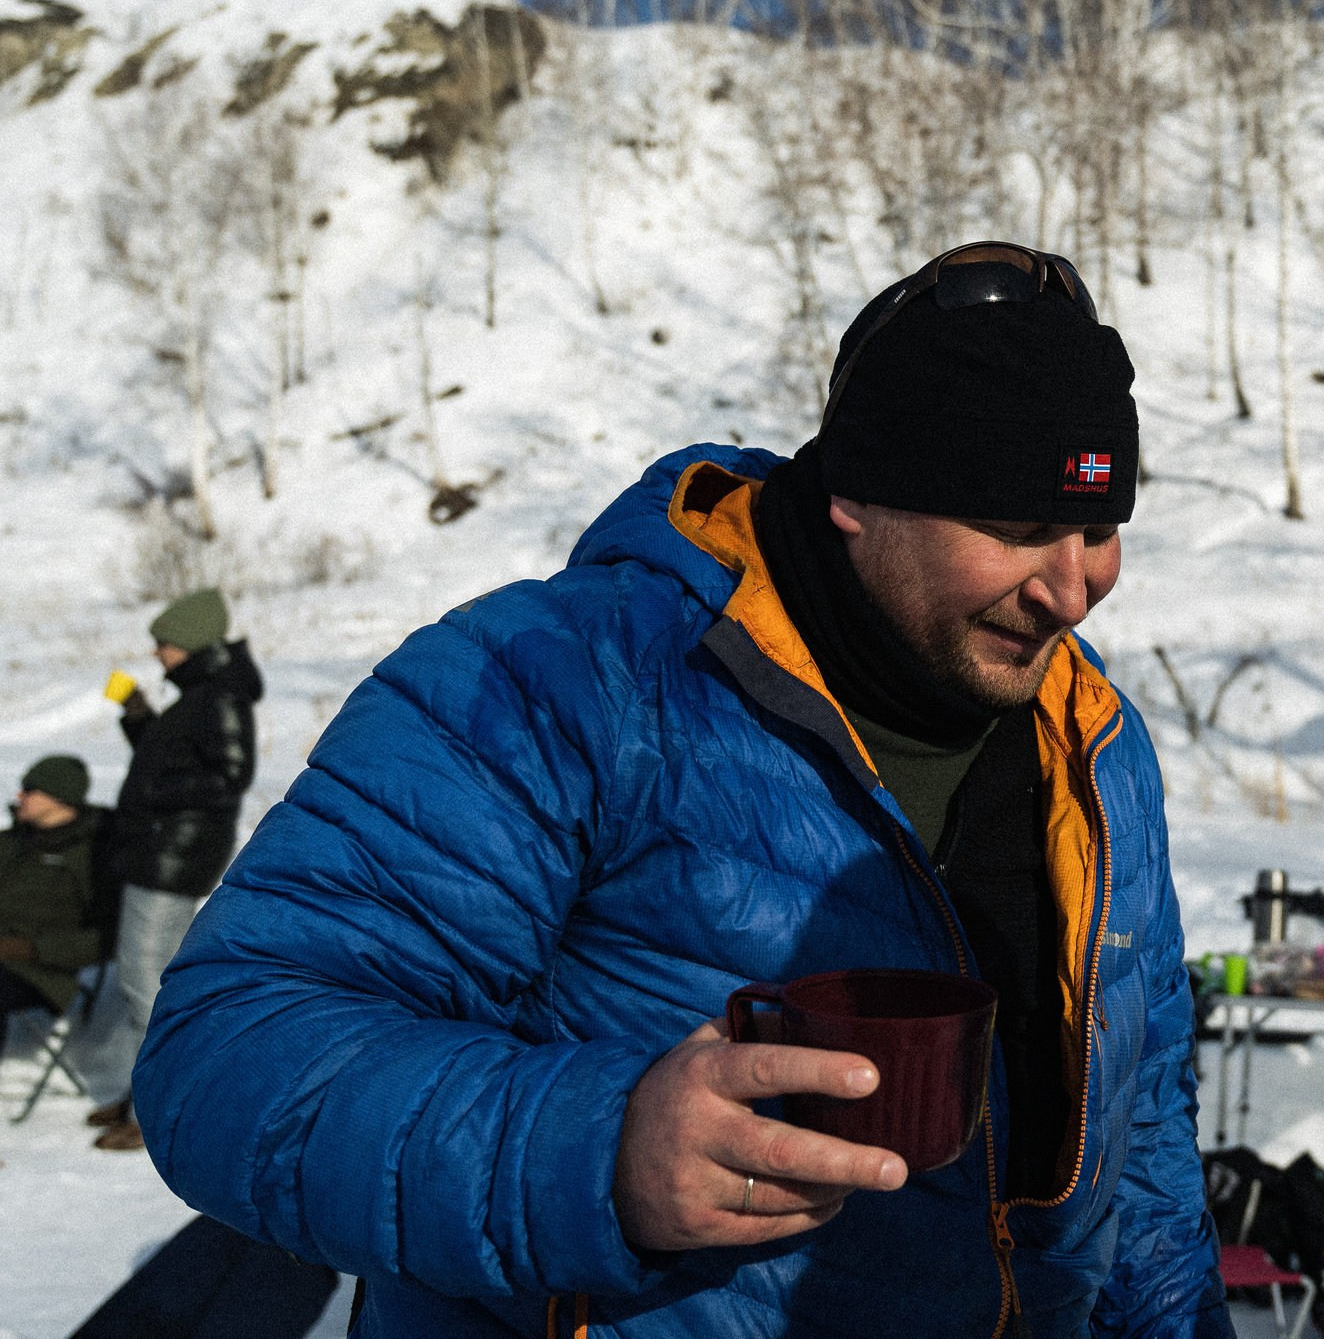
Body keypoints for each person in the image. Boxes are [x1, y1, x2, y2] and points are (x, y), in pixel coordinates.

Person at [136, 243, 1226, 1337]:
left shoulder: (1094, 743)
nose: (1074, 588)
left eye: (1097, 528)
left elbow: (1140, 1144)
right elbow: (228, 1050)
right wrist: (600, 1153)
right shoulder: (562, 681)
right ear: (859, 493)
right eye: (1020, 528)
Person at [89, 587, 260, 1152]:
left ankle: (155, 1109)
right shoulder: (199, 695)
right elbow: (176, 759)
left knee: (145, 982)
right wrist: (139, 718)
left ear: (189, 644)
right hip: (160, 853)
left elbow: (229, 775)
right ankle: (145, 1093)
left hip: (174, 859)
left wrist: (154, 796)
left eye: (163, 643)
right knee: (146, 976)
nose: (157, 653)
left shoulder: (221, 698)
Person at [0, 755, 106, 1019]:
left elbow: (103, 939)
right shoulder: (12, 842)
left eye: (30, 790)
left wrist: (25, 948)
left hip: (40, 972)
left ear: (59, 797)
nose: (19, 796)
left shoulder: (94, 855)